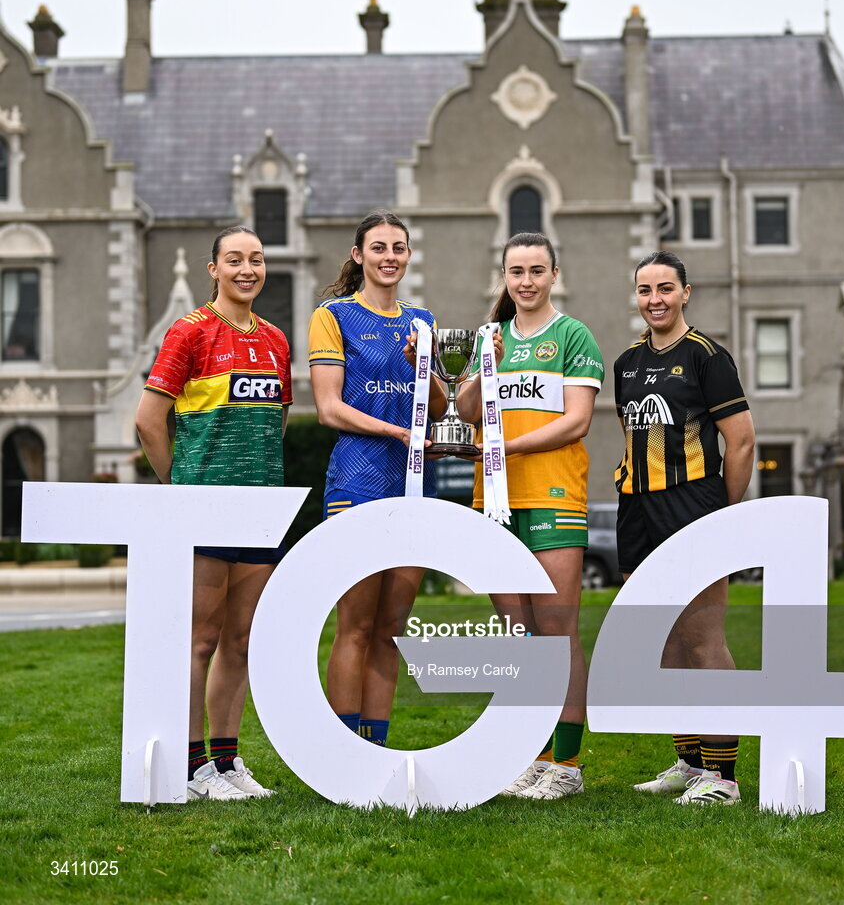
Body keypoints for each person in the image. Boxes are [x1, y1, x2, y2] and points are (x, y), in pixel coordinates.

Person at [135, 226, 292, 800]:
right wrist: (180, 490)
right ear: (214, 269)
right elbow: (149, 420)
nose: (246, 269)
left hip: (260, 508)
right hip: (203, 509)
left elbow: (274, 420)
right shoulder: (189, 332)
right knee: (200, 641)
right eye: (234, 260)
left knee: (242, 641)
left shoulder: (276, 340)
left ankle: (226, 763)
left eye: (255, 259)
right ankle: (192, 765)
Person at [456, 231, 604, 800]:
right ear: (504, 277)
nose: (526, 281)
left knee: (555, 629)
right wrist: (480, 369)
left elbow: (576, 421)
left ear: (554, 275)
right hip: (493, 500)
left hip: (552, 496)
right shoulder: (490, 337)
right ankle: (531, 755)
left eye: (536, 271)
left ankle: (565, 766)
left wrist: (508, 448)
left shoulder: (572, 335)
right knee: (516, 633)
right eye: (516, 272)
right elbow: (465, 411)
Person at [615, 249, 755, 806]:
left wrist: (720, 512)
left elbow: (740, 441)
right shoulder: (626, 361)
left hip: (692, 502)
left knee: (702, 639)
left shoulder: (707, 356)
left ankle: (723, 778)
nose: (656, 299)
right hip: (636, 507)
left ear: (685, 293)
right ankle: (689, 763)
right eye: (646, 290)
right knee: (664, 639)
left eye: (665, 289)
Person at [308, 209, 446, 747]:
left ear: (408, 256)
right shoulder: (333, 315)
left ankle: (375, 749)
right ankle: (343, 752)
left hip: (414, 485)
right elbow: (328, 408)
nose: (390, 257)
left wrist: (426, 365)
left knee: (392, 630)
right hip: (358, 481)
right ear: (358, 255)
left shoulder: (424, 320)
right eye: (379, 247)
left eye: (399, 248)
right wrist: (398, 433)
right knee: (356, 626)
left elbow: (438, 405)